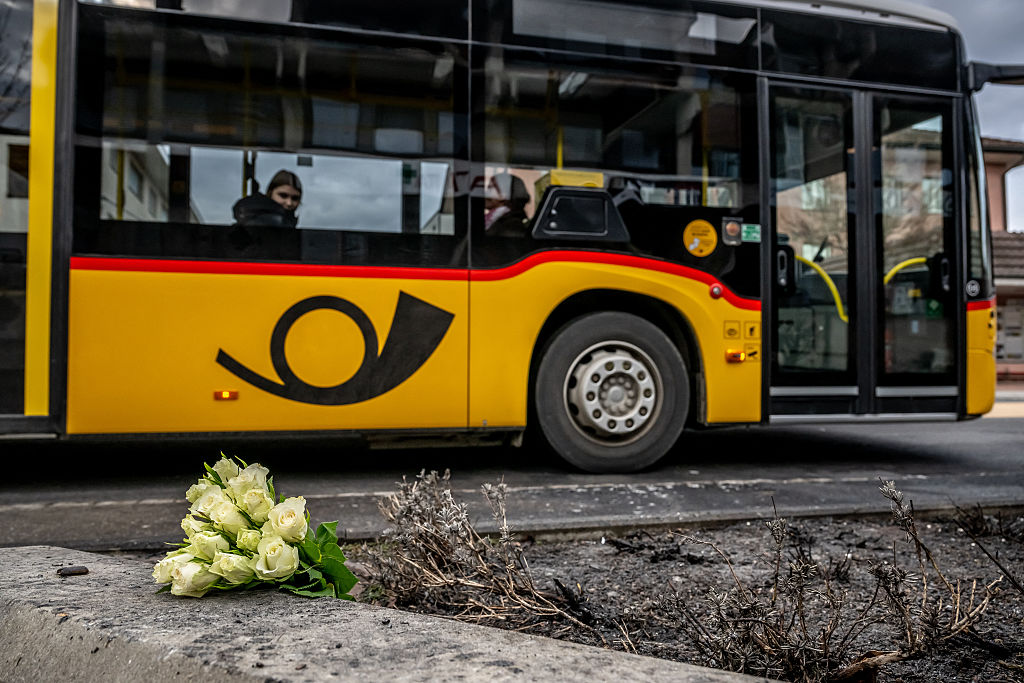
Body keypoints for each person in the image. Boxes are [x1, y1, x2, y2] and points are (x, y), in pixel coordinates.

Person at [232, 169, 303, 228]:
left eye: (295, 198)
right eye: (283, 195)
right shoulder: (273, 223)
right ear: (270, 193)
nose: (289, 203)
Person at [484, 173, 530, 237]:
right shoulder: (496, 220)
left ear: (503, 195)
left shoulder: (512, 227)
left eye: (490, 187)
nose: (485, 193)